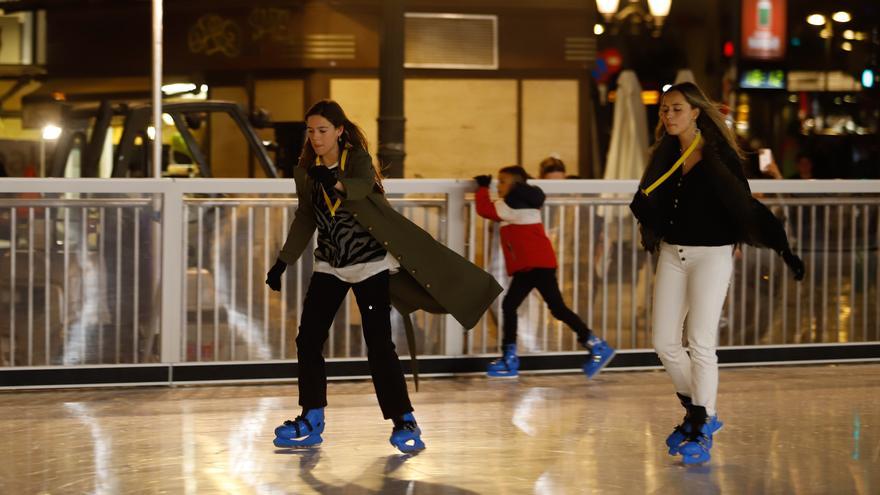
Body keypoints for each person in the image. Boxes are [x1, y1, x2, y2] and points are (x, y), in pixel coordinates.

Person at [266, 100, 502, 453]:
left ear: (339, 131)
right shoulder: (305, 172)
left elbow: (360, 186)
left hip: (370, 264)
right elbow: (306, 218)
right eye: (311, 131)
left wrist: (334, 181)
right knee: (308, 339)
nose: (316, 138)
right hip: (330, 264)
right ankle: (311, 416)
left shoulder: (356, 159)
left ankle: (404, 419)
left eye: (323, 131)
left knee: (378, 346)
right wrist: (282, 262)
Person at [629, 82, 806, 465]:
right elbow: (652, 201)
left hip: (712, 254)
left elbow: (740, 203)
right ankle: (701, 414)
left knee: (701, 342)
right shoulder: (664, 154)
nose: (668, 116)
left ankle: (701, 426)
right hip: (673, 253)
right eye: (664, 110)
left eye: (676, 109)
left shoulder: (719, 154)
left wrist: (770, 244)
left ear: (696, 113)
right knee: (664, 342)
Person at [474, 166, 615, 378]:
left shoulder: (511, 204)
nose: (499, 186)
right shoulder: (524, 202)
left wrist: (482, 188)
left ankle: (511, 359)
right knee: (540, 307)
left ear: (514, 183)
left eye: (502, 181)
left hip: (533, 266)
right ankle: (594, 345)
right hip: (536, 264)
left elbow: (485, 210)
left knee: (526, 306)